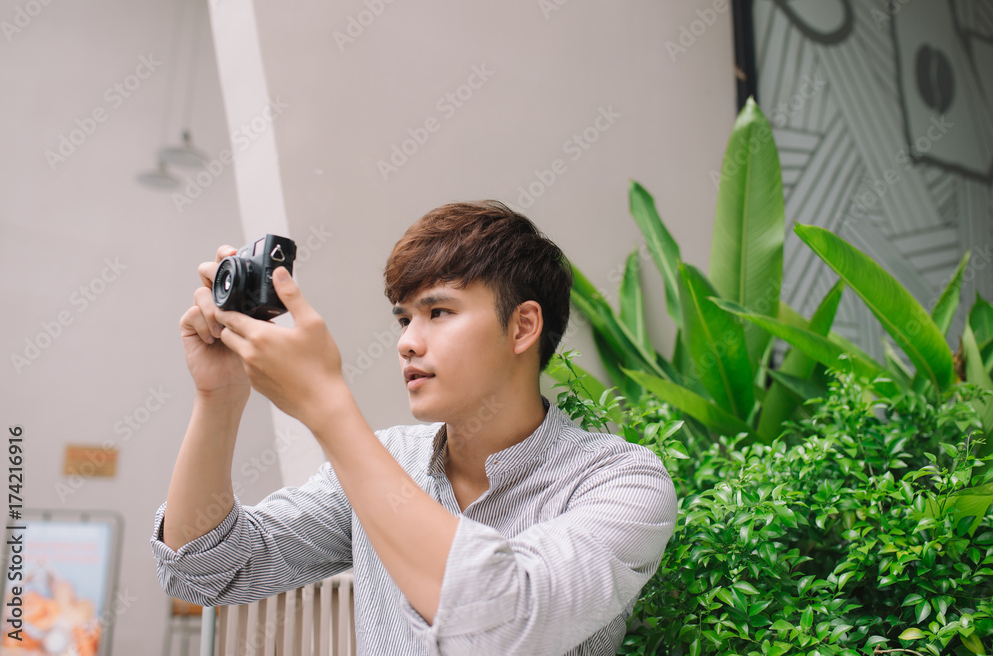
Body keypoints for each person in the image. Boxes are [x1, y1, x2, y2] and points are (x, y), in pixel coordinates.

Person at [151, 200, 677, 654]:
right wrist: (217, 397)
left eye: (439, 312)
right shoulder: (387, 460)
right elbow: (203, 567)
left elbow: (504, 623)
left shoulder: (621, 482)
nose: (407, 342)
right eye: (404, 320)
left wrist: (327, 408)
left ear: (522, 326)